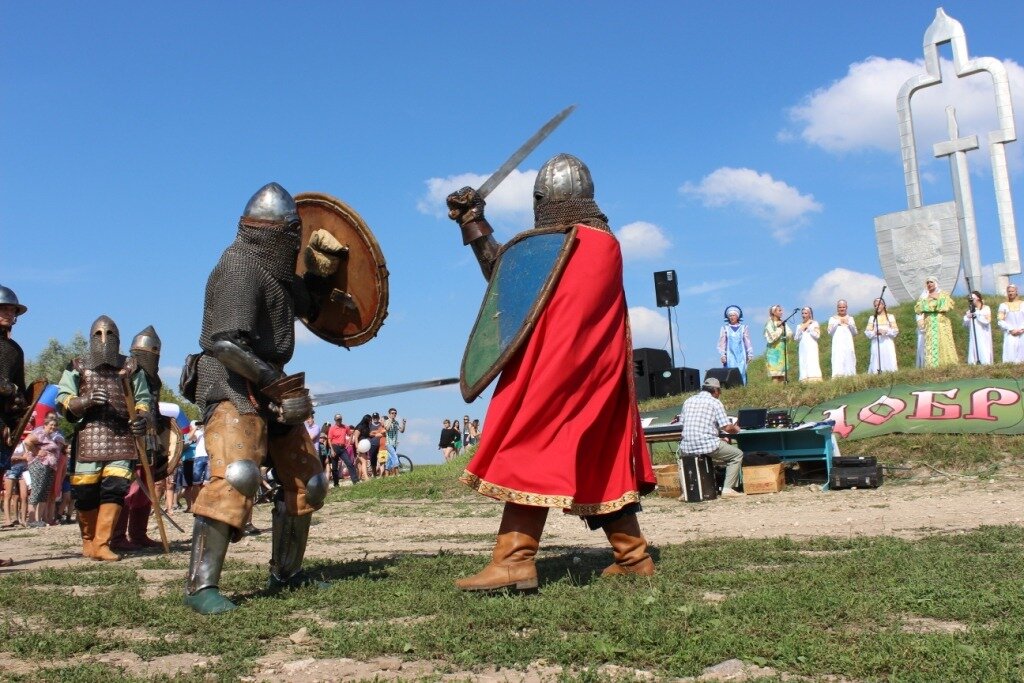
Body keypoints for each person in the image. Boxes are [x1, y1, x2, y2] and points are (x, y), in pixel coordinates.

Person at [445, 153, 656, 591]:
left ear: (543, 199)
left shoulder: (569, 244)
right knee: (598, 455)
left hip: (561, 372)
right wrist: (474, 226)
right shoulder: (603, 243)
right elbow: (518, 283)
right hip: (601, 375)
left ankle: (515, 560)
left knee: (529, 444)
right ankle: (633, 556)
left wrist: (474, 225)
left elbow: (513, 284)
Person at [182, 182, 342, 614]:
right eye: (294, 234)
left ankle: (287, 573)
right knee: (238, 473)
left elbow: (309, 307)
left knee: (307, 478)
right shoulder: (238, 266)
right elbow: (224, 342)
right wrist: (277, 386)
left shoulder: (279, 271)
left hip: (271, 380)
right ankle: (201, 586)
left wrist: (321, 272)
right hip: (232, 380)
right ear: (280, 232)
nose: (296, 241)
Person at [57, 315, 151, 562]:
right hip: (90, 435)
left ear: (118, 338)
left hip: (122, 434)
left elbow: (143, 399)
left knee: (115, 489)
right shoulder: (78, 365)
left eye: (109, 334)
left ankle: (102, 543)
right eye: (98, 334)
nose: (104, 338)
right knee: (86, 491)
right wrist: (85, 401)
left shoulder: (131, 367)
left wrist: (141, 417)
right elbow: (64, 397)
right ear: (91, 337)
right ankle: (88, 541)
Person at [111, 326, 170, 551]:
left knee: (147, 489)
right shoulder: (130, 372)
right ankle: (117, 537)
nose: (152, 357)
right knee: (130, 488)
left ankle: (138, 534)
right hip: (132, 436)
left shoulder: (155, 379)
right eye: (150, 352)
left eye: (155, 354)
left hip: (151, 439)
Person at [677, 377, 743, 498]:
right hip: (707, 444)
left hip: (686, 446)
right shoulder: (715, 402)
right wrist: (737, 429)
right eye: (719, 391)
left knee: (683, 459)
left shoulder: (688, 401)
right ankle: (728, 489)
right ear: (715, 390)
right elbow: (727, 428)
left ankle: (686, 492)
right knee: (736, 455)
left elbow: (683, 422)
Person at [0, 286, 28, 534]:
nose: (9, 312)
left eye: (11, 309)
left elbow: (20, 391)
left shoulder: (14, 350)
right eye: (3, 308)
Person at [23, 413, 64, 527]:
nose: (53, 427)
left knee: (44, 493)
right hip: (40, 464)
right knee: (37, 491)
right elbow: (27, 441)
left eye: (55, 425)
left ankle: (38, 519)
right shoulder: (40, 432)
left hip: (50, 466)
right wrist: (36, 451)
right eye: (51, 425)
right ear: (45, 424)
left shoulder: (50, 436)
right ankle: (31, 520)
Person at [914, 276, 958, 368]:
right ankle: (933, 366)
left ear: (936, 283)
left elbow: (946, 306)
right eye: (927, 283)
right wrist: (933, 306)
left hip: (941, 321)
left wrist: (930, 306)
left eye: (931, 282)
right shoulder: (924, 296)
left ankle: (948, 364)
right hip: (929, 322)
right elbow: (919, 308)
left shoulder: (943, 294)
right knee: (931, 343)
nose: (929, 284)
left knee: (944, 341)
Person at [717, 306, 753, 385]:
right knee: (731, 371)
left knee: (742, 371)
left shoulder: (743, 327)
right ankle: (732, 388)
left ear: (737, 316)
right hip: (730, 354)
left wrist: (749, 353)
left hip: (741, 354)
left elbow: (747, 341)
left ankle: (742, 388)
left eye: (733, 315)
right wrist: (723, 355)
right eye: (730, 316)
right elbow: (722, 343)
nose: (732, 317)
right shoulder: (725, 328)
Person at [865, 299, 899, 373]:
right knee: (876, 358)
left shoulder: (890, 317)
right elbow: (867, 332)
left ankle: (891, 374)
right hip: (876, 342)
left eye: (879, 304)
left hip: (887, 342)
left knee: (889, 357)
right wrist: (874, 332)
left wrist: (886, 331)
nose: (877, 307)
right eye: (875, 305)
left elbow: (895, 331)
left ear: (883, 305)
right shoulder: (872, 318)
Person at [827, 300, 858, 377]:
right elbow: (829, 331)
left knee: (849, 357)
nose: (842, 309)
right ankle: (838, 376)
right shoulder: (832, 319)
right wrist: (837, 322)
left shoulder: (850, 318)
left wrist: (849, 323)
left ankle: (850, 375)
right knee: (838, 357)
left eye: (843, 307)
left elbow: (855, 332)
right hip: (837, 342)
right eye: (840, 307)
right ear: (837, 308)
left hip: (848, 342)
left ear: (846, 307)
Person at [763, 304, 792, 382]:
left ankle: (782, 392)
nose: (782, 312)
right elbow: (772, 337)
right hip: (773, 351)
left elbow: (789, 333)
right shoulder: (769, 323)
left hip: (782, 350)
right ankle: (774, 391)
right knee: (775, 375)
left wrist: (786, 334)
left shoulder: (782, 322)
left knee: (782, 375)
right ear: (774, 312)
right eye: (779, 310)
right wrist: (780, 329)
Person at [963, 291, 993, 365]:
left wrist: (977, 314)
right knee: (973, 345)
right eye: (970, 300)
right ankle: (973, 362)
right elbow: (965, 325)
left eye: (972, 299)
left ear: (978, 298)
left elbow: (987, 321)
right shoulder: (970, 310)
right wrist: (967, 317)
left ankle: (985, 363)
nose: (971, 301)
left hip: (983, 333)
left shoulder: (986, 308)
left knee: (983, 347)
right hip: (973, 334)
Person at [793, 307, 822, 383]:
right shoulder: (799, 326)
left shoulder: (814, 323)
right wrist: (801, 329)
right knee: (803, 361)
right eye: (802, 313)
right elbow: (796, 338)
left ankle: (814, 379)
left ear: (810, 314)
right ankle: (804, 379)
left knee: (812, 361)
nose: (803, 315)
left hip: (812, 346)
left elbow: (817, 335)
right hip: (802, 347)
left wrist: (809, 328)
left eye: (805, 313)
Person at [997, 284, 1024, 363]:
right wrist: (1011, 329)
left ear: (1016, 292)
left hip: (1022, 332)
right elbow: (1000, 320)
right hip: (1010, 333)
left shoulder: (1023, 304)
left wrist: (1022, 329)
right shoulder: (1003, 305)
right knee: (1010, 354)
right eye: (1009, 291)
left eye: (1012, 291)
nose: (1011, 293)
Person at [328, 414, 358, 485]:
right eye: (338, 419)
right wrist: (332, 450)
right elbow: (329, 440)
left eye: (340, 419)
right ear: (335, 420)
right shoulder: (332, 428)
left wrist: (349, 443)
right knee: (335, 467)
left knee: (350, 463)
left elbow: (351, 434)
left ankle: (355, 481)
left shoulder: (345, 427)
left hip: (342, 448)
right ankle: (336, 483)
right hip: (334, 447)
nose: (339, 421)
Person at [382, 408, 406, 475]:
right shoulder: (386, 421)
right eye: (392, 413)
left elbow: (402, 431)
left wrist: (404, 424)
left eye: (395, 413)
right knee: (395, 456)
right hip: (388, 443)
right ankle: (397, 474)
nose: (394, 414)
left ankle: (386, 475)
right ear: (389, 414)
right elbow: (387, 428)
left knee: (389, 459)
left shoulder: (396, 422)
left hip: (394, 443)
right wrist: (391, 420)